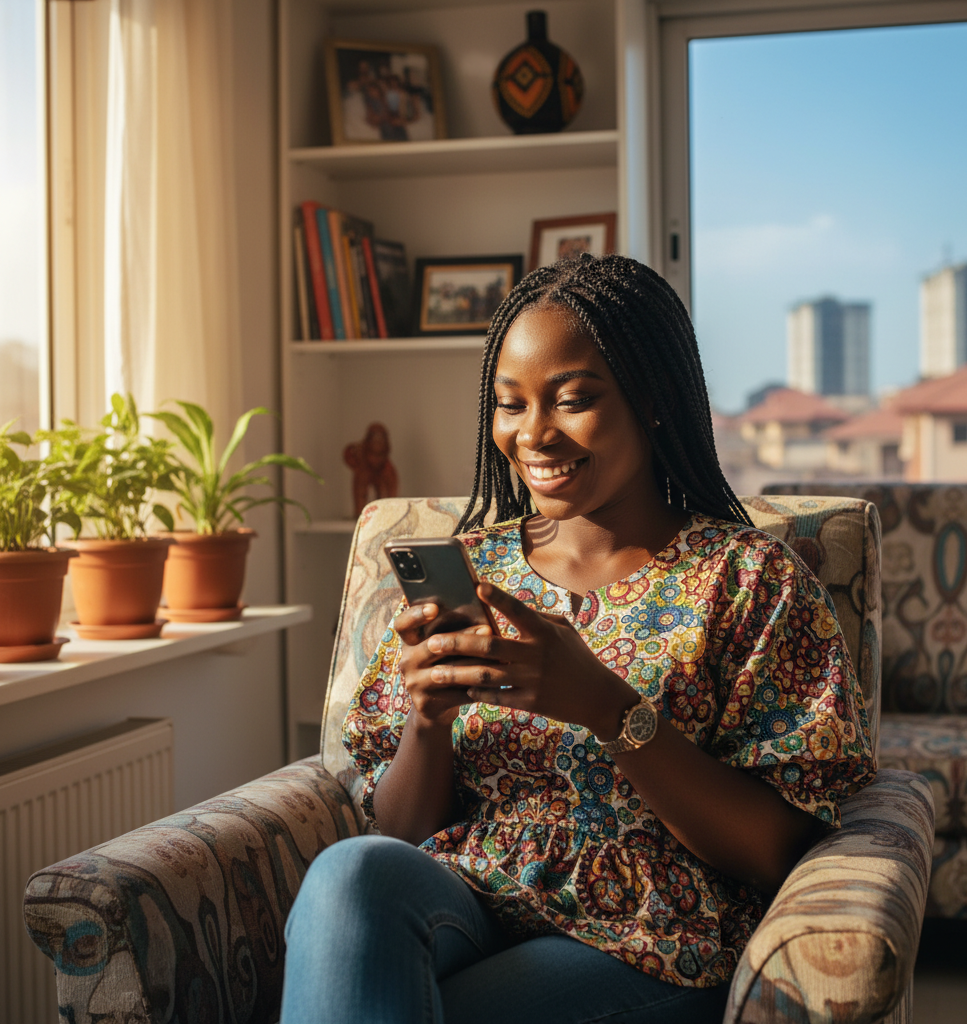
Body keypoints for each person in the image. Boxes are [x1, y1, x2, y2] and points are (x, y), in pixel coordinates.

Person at [280, 254, 876, 1024]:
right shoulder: (473, 569)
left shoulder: (747, 579)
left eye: (573, 400)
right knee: (352, 875)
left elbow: (779, 848)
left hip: (645, 936)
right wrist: (427, 721)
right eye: (510, 404)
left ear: (652, 401)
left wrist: (605, 706)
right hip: (467, 900)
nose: (534, 434)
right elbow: (402, 834)